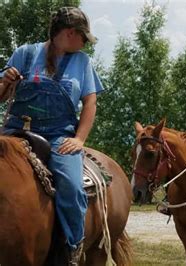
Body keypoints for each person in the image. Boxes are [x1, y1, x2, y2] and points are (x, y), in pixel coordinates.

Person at [0, 7, 103, 265]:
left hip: (59, 136)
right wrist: (5, 82)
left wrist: (79, 139)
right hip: (16, 130)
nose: (85, 44)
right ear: (70, 33)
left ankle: (72, 247)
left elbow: (90, 104)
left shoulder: (82, 62)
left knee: (71, 185)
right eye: (84, 38)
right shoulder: (25, 53)